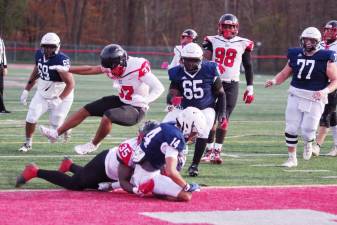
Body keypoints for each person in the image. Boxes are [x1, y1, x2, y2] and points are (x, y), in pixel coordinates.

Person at [40, 44, 164, 155]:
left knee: (108, 116)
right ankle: (55, 134)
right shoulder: (111, 65)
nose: (109, 71)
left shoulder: (137, 66)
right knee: (87, 109)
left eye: (112, 68)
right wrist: (67, 69)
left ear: (122, 62)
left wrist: (145, 100)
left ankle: (92, 145)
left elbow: (159, 87)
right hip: (123, 100)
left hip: (136, 108)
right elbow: (90, 69)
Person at [15, 120, 160, 191]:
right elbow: (124, 181)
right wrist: (137, 190)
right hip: (103, 166)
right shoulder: (130, 148)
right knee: (75, 185)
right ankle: (35, 171)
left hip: (112, 174)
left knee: (95, 186)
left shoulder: (160, 148)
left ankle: (69, 165)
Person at [265, 27, 337, 168]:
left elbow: (335, 80)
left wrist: (325, 91)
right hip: (296, 93)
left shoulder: (326, 57)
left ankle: (309, 141)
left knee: (308, 129)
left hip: (315, 97)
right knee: (291, 128)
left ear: (317, 42)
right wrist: (274, 81)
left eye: (311, 40)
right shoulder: (295, 54)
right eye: (305, 40)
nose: (308, 43)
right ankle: (292, 159)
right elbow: (285, 73)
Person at [162, 42, 226, 177]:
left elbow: (221, 93)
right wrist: (172, 100)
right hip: (184, 108)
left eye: (194, 60)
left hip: (205, 108)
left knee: (203, 130)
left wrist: (223, 114)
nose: (191, 64)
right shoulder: (177, 72)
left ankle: (194, 165)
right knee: (164, 126)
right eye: (188, 60)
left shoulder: (209, 69)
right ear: (182, 59)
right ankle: (162, 159)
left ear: (201, 59)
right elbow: (172, 92)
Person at [201, 13, 254, 164]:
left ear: (236, 28)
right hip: (213, 82)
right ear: (219, 27)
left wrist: (250, 87)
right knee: (210, 117)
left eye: (231, 26)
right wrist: (214, 66)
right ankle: (208, 150)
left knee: (224, 118)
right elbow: (205, 60)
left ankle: (217, 151)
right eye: (225, 26)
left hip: (232, 84)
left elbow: (248, 66)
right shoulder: (212, 40)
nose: (227, 29)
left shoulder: (244, 43)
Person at [130, 107, 206, 201]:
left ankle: (152, 187)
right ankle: (148, 189)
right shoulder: (175, 137)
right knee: (186, 195)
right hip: (147, 175)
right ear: (187, 124)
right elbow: (171, 171)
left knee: (175, 181)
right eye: (194, 131)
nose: (195, 135)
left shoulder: (170, 125)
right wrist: (187, 186)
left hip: (143, 168)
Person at [18, 32, 74, 152]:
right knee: (31, 117)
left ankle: (66, 128)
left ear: (57, 47)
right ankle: (28, 143)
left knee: (55, 124)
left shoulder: (61, 60)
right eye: (46, 46)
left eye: (51, 47)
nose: (48, 49)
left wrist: (59, 99)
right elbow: (36, 71)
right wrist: (27, 90)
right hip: (43, 93)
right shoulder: (39, 55)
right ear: (42, 46)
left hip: (61, 92)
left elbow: (71, 84)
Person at [312, 20, 337, 157]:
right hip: (320, 83)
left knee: (326, 113)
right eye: (326, 30)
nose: (327, 32)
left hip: (334, 83)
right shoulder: (319, 44)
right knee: (332, 116)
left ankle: (317, 145)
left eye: (331, 30)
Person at [0, 36, 10, 114]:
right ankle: (2, 108)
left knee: (1, 88)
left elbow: (3, 55)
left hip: (0, 66)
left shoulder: (1, 41)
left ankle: (1, 108)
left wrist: (5, 67)